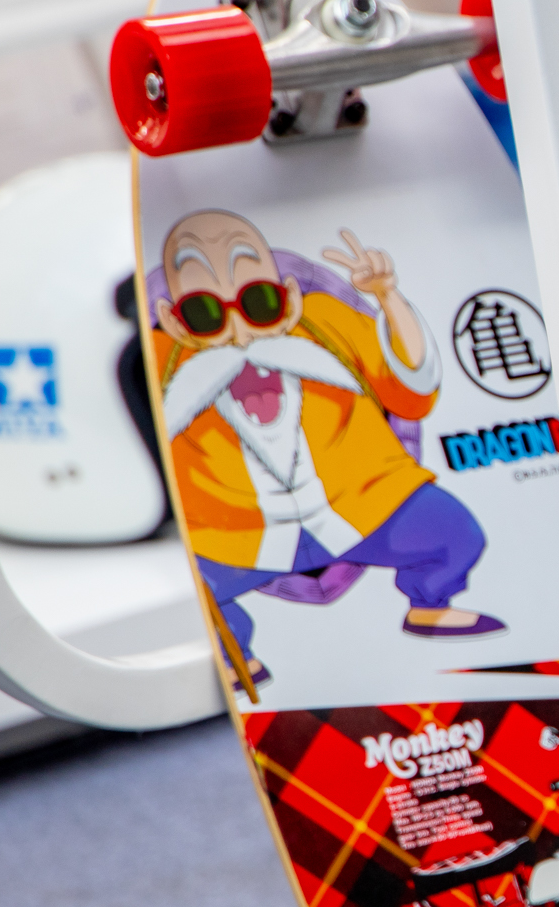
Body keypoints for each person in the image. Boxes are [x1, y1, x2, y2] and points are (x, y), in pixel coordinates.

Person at [152, 209, 502, 688]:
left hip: (360, 508)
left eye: (258, 303)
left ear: (290, 297)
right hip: (237, 536)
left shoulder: (327, 324)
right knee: (190, 585)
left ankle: (429, 605)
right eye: (205, 314)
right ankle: (237, 655)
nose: (239, 333)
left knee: (456, 532)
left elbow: (413, 390)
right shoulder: (166, 364)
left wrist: (387, 296)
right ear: (172, 320)